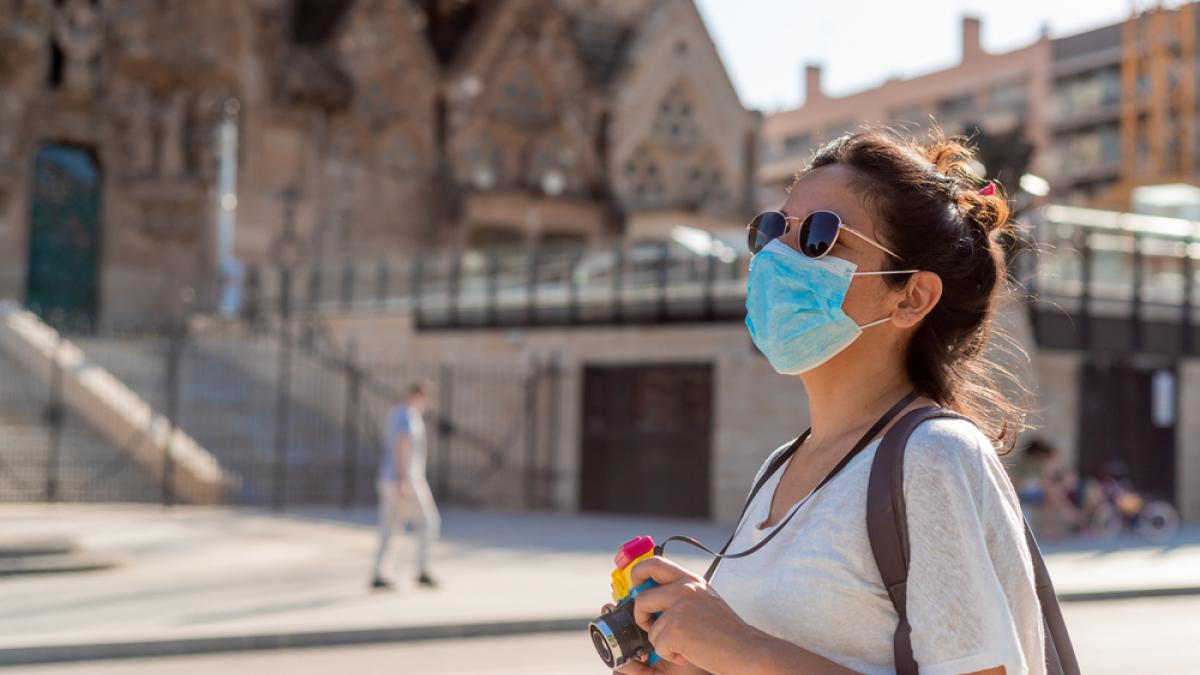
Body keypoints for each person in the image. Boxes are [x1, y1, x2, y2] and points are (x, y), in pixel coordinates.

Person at [612, 128, 1043, 674]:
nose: (777, 257)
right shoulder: (781, 466)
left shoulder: (934, 455)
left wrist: (740, 646)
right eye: (773, 231)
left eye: (820, 237)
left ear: (913, 297)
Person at [371, 380, 440, 590]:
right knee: (428, 521)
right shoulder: (406, 416)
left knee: (391, 527)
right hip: (407, 479)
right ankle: (422, 569)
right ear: (418, 396)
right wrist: (403, 479)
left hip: (392, 478)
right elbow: (403, 445)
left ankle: (381, 571)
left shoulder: (397, 414)